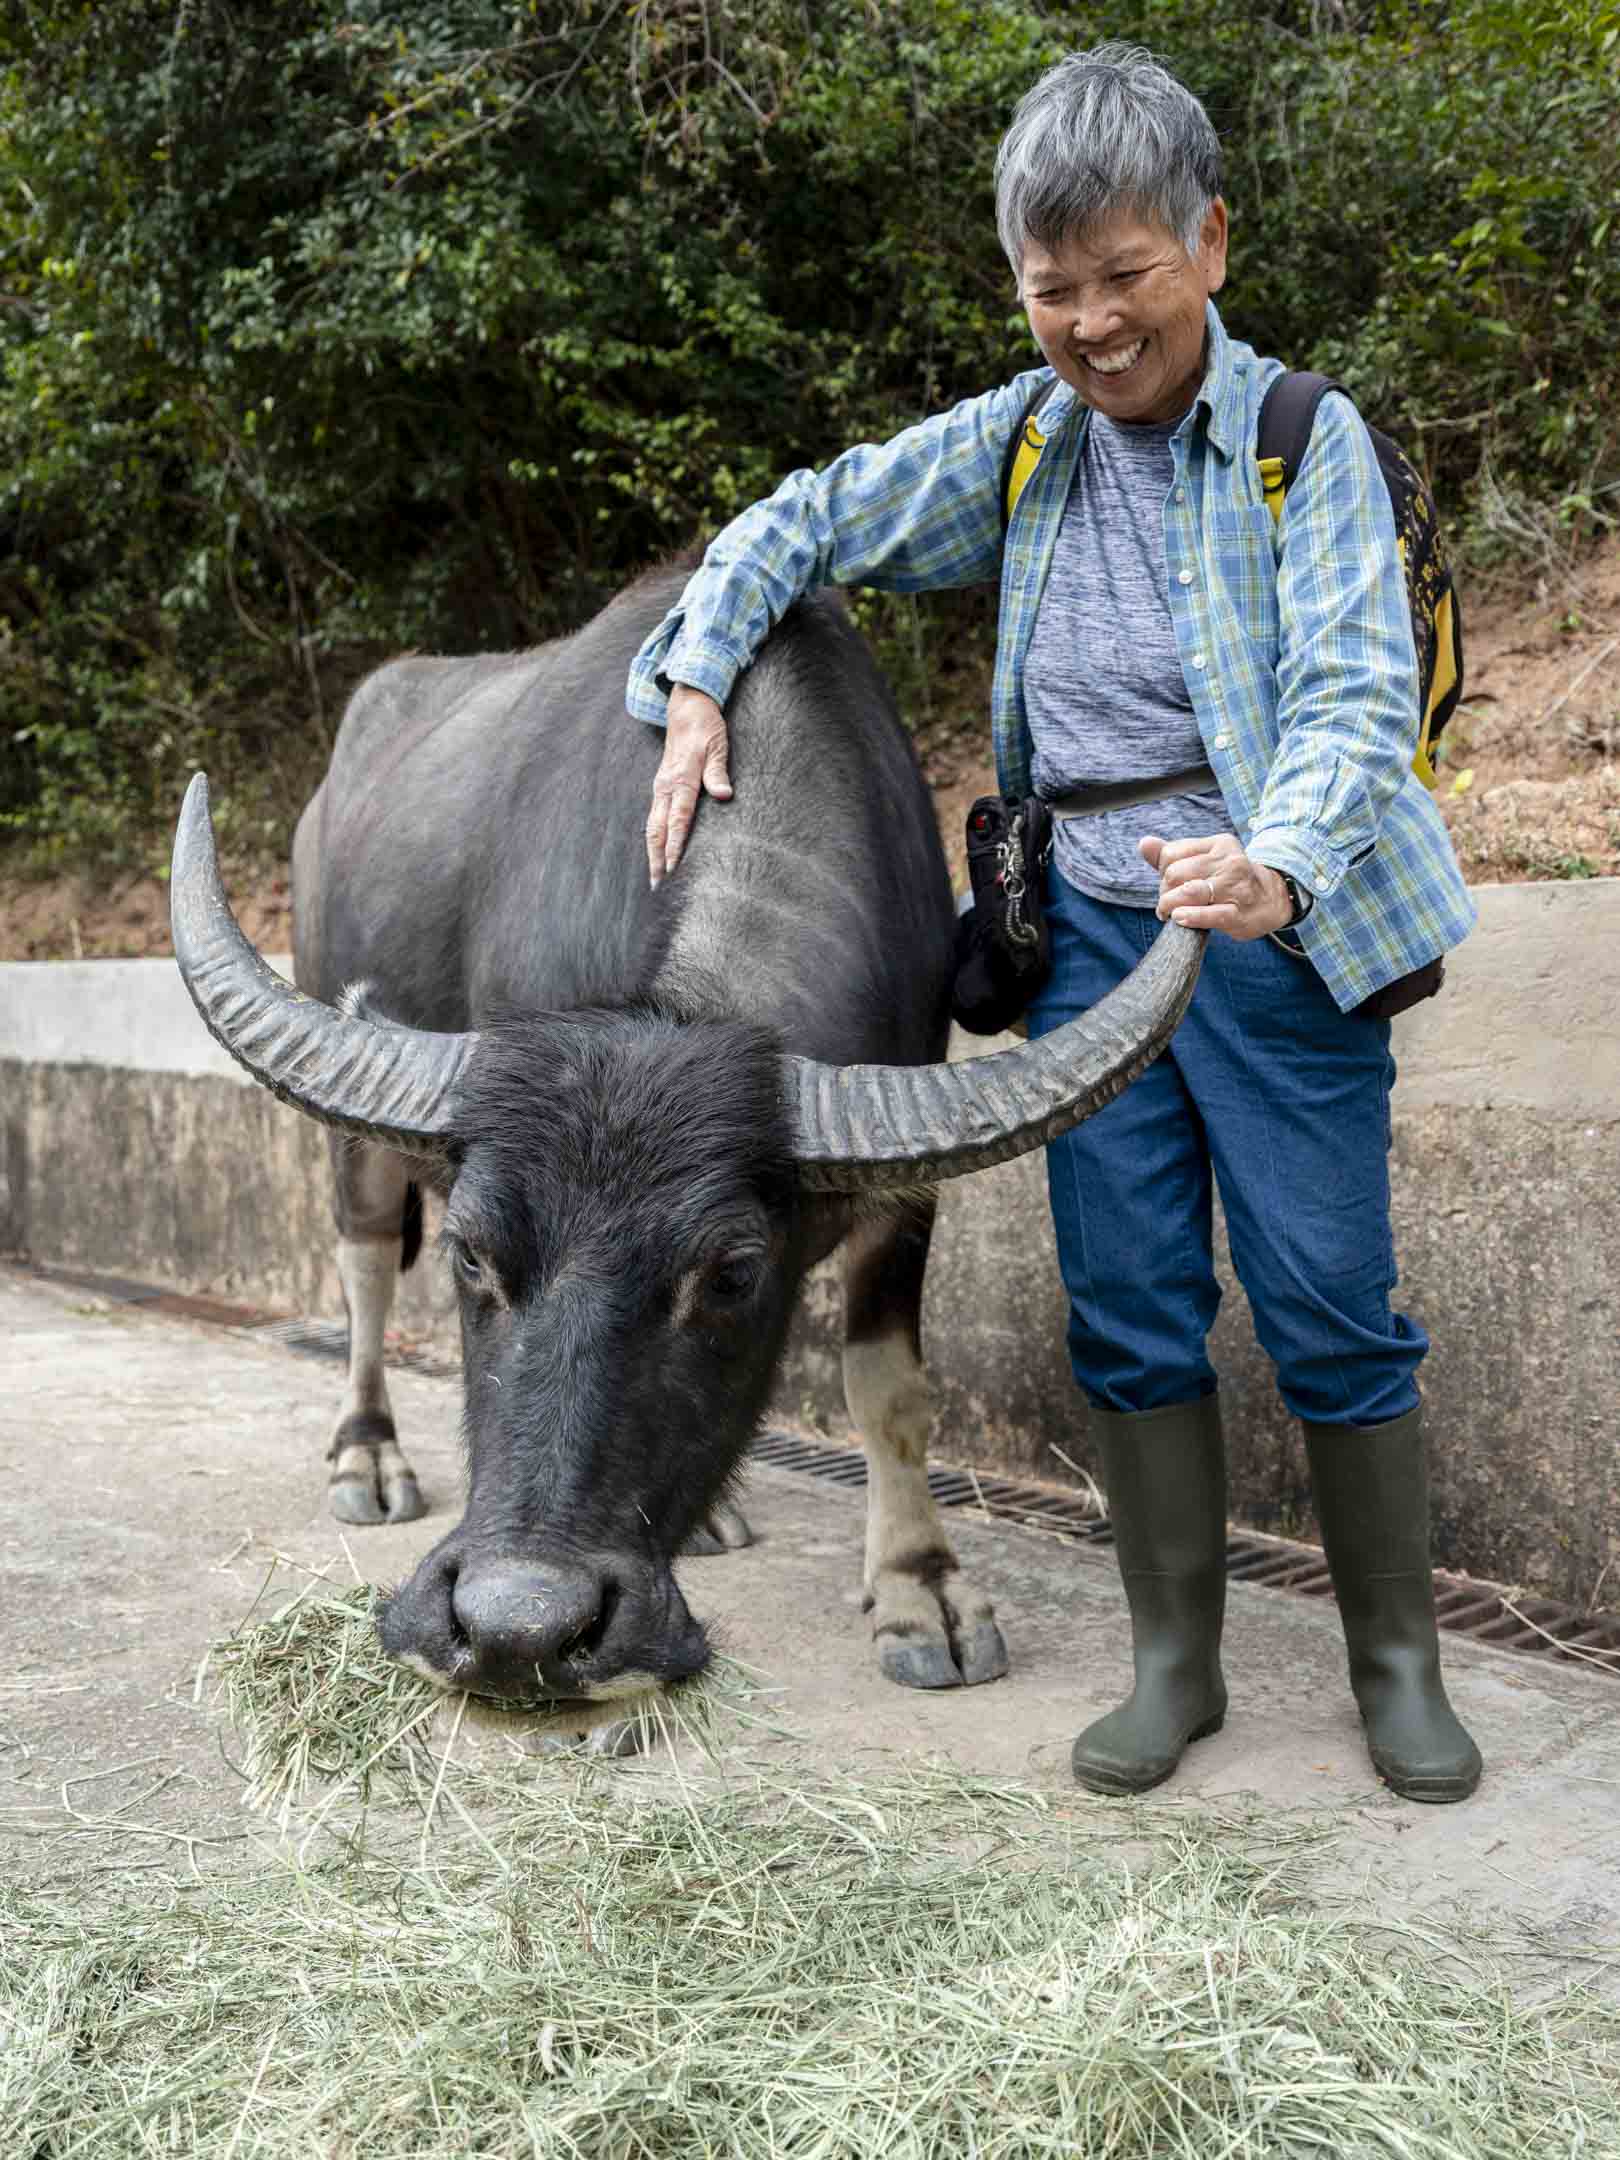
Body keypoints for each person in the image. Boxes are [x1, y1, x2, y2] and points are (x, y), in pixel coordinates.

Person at [625, 44, 1482, 1803]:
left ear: (1210, 245)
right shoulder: (1025, 445)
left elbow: (1353, 694)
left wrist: (1280, 861)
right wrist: (697, 672)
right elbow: (806, 515)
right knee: (1128, 1301)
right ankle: (1179, 1663)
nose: (1092, 323)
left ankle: (1398, 1668)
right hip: (1084, 937)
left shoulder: (1298, 445)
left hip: (1272, 932)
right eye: (1051, 287)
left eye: (1124, 275)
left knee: (1328, 1300)